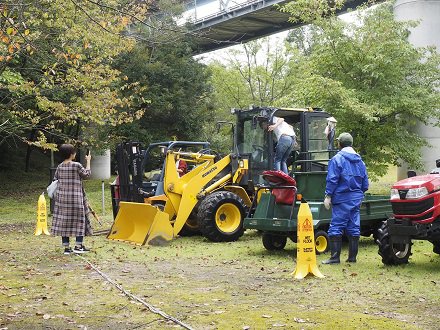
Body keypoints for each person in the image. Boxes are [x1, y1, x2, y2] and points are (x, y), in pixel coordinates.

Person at [322, 133, 369, 264]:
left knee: (336, 226)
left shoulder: (337, 159)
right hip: (356, 199)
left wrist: (328, 195)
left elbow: (332, 179)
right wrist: (358, 194)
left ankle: (335, 258)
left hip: (342, 198)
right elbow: (365, 184)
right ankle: (352, 258)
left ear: (340, 144)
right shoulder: (360, 161)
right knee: (353, 226)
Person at [50, 144, 92, 255]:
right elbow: (87, 175)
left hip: (62, 199)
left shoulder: (59, 167)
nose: (75, 154)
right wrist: (88, 161)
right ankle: (78, 246)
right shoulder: (76, 165)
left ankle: (66, 248)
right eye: (74, 152)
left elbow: (55, 180)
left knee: (64, 221)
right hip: (75, 199)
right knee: (79, 220)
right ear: (71, 154)